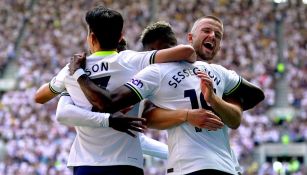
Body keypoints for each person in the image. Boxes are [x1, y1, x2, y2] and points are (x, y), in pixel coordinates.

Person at [69, 15, 265, 175]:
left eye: (217, 34)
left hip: (187, 167)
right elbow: (256, 95)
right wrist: (219, 102)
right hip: (227, 166)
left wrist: (78, 73)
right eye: (207, 31)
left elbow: (114, 104)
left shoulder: (154, 72)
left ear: (150, 54)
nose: (212, 36)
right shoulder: (215, 71)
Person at [45, 5, 219, 175]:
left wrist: (76, 74)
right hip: (124, 163)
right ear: (121, 38)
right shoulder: (135, 68)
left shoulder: (75, 68)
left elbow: (47, 102)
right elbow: (187, 51)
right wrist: (108, 120)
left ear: (91, 38)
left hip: (88, 163)